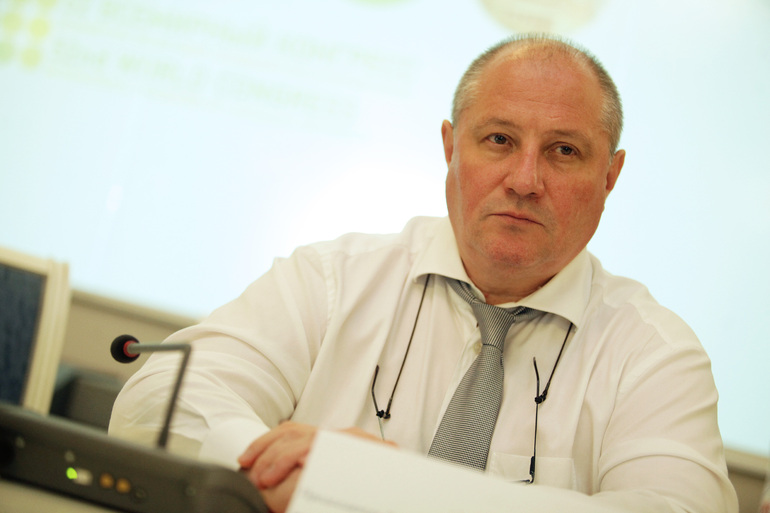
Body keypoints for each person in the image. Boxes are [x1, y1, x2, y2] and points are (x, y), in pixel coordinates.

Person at [110, 34, 738, 513]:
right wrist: (277, 470)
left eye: (564, 151)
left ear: (610, 176)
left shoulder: (656, 355)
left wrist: (371, 487)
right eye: (499, 140)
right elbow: (155, 402)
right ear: (450, 146)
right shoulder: (333, 280)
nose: (525, 180)